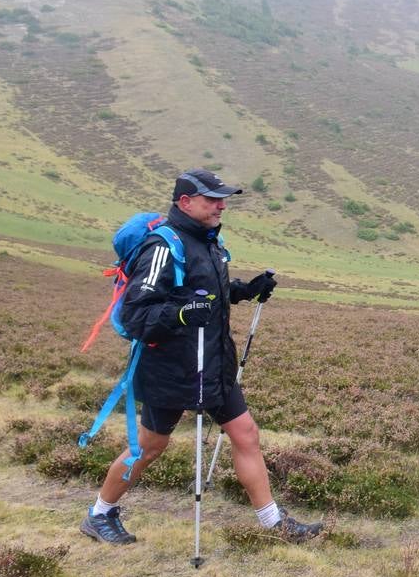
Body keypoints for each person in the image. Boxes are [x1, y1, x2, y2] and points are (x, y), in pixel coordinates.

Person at [80, 168, 321, 545]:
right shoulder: (163, 246)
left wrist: (245, 290)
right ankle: (100, 513)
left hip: (214, 364)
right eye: (212, 199)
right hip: (172, 369)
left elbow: (206, 293)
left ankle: (273, 522)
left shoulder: (207, 241)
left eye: (222, 199)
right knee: (149, 447)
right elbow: (136, 315)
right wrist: (179, 314)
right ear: (185, 202)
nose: (221, 205)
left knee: (246, 434)